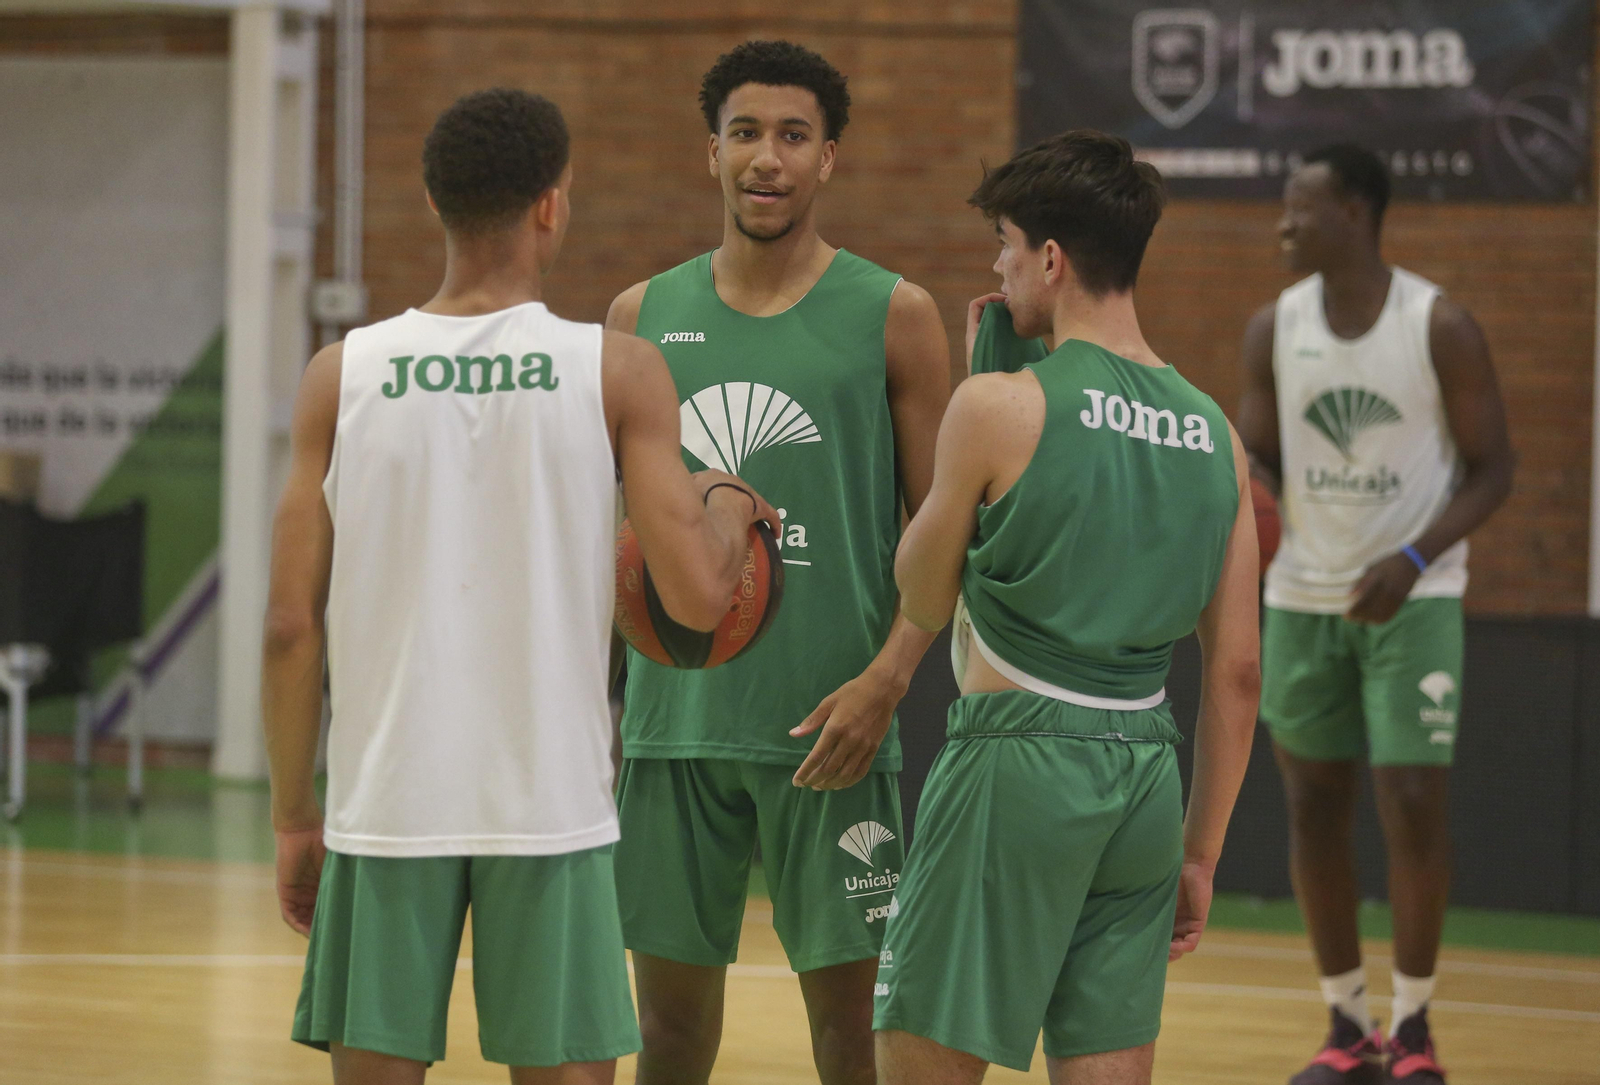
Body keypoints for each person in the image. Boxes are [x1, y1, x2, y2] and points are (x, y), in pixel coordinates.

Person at [261, 88, 778, 1085]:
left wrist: (293, 810)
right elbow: (698, 597)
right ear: (552, 205)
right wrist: (726, 508)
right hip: (548, 801)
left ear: (432, 201)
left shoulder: (341, 373)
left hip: (386, 796)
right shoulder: (617, 370)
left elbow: (291, 624)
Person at [873, 129, 1262, 1085]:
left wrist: (979, 390)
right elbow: (1239, 670)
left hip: (1016, 761)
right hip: (1145, 774)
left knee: (921, 1051)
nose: (999, 268)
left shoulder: (1000, 405)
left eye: (1005, 246)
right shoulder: (1217, 434)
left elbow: (919, 584)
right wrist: (1200, 852)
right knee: (1109, 1062)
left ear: (1051, 258)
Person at [603, 39, 951, 1085]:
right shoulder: (637, 318)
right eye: (744, 133)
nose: (767, 157)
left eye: (792, 136)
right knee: (664, 1036)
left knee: (853, 1038)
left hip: (833, 729)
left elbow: (947, 531)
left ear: (829, 158)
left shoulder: (895, 314)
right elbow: (616, 541)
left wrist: (889, 681)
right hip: (676, 730)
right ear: (710, 153)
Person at [1237, 144, 1515, 1085]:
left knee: (1409, 802)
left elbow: (1495, 469)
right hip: (1304, 598)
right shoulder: (1272, 326)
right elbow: (1260, 453)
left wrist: (1412, 555)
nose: (1282, 222)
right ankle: (1346, 1025)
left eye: (1298, 206)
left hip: (1414, 596)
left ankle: (1417, 1028)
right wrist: (1261, 494)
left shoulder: (1438, 324)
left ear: (1353, 212)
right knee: (1314, 804)